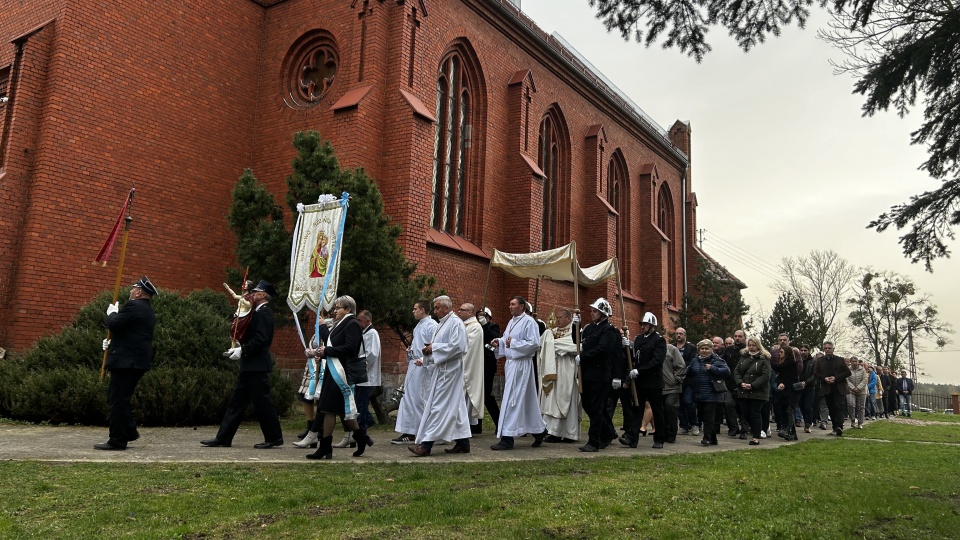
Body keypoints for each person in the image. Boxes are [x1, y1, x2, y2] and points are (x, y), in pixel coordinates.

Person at [202, 280, 283, 449]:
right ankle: (224, 437)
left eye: (255, 292)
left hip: (257, 365)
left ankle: (274, 437)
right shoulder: (256, 312)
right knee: (237, 402)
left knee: (262, 403)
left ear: (262, 295)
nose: (251, 294)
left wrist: (243, 350)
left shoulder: (264, 313)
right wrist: (238, 347)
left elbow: (262, 339)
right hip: (250, 365)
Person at [301, 295, 373, 459]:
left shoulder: (352, 324)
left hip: (342, 373)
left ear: (348, 309)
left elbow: (349, 349)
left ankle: (325, 447)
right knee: (335, 409)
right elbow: (331, 343)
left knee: (328, 409)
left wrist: (326, 351)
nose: (334, 311)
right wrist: (322, 353)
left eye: (338, 308)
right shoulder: (340, 324)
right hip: (332, 371)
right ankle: (361, 438)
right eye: (334, 308)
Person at [96, 276, 157, 451]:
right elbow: (129, 333)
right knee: (119, 399)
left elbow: (115, 324)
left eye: (133, 289)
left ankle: (117, 440)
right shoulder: (147, 310)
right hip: (134, 361)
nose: (130, 291)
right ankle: (129, 431)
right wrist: (111, 343)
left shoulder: (133, 305)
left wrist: (112, 313)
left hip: (126, 362)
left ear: (138, 293)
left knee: (117, 401)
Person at [407, 296, 473, 456]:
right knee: (455, 407)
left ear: (446, 307)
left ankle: (426, 445)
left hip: (449, 372)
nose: (435, 311)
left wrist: (434, 348)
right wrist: (428, 353)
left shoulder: (455, 323)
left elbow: (459, 347)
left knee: (438, 407)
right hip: (441, 370)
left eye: (437, 308)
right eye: (435, 308)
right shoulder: (443, 324)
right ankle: (463, 443)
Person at [489, 296, 547, 450]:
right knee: (527, 400)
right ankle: (539, 431)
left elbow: (534, 343)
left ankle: (507, 438)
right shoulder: (512, 321)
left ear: (522, 306)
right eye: (510, 304)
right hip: (512, 364)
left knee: (511, 400)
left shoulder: (529, 322)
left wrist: (512, 343)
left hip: (521, 365)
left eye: (513, 304)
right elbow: (506, 339)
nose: (510, 306)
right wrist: (499, 342)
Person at [393, 299, 438, 444]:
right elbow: (417, 345)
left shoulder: (432, 326)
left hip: (424, 368)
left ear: (423, 310)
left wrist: (425, 360)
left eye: (415, 309)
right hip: (414, 366)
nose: (413, 311)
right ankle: (409, 430)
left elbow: (435, 347)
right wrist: (410, 351)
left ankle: (419, 431)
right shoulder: (418, 326)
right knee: (409, 398)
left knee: (419, 399)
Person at [578, 300, 620, 451]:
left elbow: (603, 349)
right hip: (587, 373)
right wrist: (576, 327)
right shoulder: (589, 328)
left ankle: (593, 441)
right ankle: (608, 431)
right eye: (592, 311)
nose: (592, 313)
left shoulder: (609, 330)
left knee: (596, 408)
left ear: (603, 314)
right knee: (588, 405)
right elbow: (578, 342)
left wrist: (584, 356)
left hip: (600, 374)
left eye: (595, 311)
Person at [625, 312, 667, 449]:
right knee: (637, 409)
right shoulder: (639, 339)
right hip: (640, 381)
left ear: (652, 325)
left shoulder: (659, 340)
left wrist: (640, 370)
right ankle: (632, 438)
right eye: (642, 324)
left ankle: (659, 439)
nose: (643, 326)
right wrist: (627, 345)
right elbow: (635, 357)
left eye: (646, 324)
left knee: (657, 410)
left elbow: (657, 360)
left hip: (653, 381)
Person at [539, 307, 581, 444]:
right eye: (557, 318)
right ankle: (553, 432)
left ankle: (569, 433)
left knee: (566, 400)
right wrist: (551, 345)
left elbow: (575, 346)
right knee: (552, 402)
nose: (557, 320)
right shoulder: (552, 333)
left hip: (567, 371)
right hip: (553, 371)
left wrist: (551, 345)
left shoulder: (575, 331)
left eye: (560, 317)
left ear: (569, 318)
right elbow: (542, 344)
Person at [295, 314, 332, 443]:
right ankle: (310, 425)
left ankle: (319, 427)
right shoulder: (317, 330)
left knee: (319, 398)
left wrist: (313, 352)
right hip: (310, 368)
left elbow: (327, 346)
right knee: (305, 396)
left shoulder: (330, 328)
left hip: (321, 368)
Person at [687, 339, 730, 446]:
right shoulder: (695, 360)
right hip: (699, 393)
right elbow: (689, 371)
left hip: (712, 393)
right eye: (702, 349)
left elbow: (726, 371)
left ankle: (706, 438)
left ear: (711, 349)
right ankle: (713, 438)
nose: (704, 351)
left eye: (707, 348)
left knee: (708, 417)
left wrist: (713, 368)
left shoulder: (716, 360)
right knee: (702, 416)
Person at [733, 336, 771, 446]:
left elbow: (765, 376)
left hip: (758, 391)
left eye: (753, 345)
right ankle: (755, 429)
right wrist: (740, 383)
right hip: (744, 390)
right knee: (745, 412)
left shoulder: (764, 358)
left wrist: (752, 385)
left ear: (758, 346)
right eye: (749, 345)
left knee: (755, 413)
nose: (751, 347)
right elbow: (737, 371)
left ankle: (756, 436)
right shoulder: (744, 357)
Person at [457, 303, 486, 433]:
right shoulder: (464, 325)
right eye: (459, 309)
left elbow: (467, 348)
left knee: (465, 396)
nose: (459, 312)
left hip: (468, 367)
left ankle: (464, 426)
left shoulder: (475, 327)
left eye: (462, 310)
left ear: (470, 312)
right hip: (461, 365)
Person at [814, 341, 851, 436]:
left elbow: (847, 372)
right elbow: (816, 373)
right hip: (827, 387)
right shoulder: (820, 360)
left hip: (838, 387)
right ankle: (835, 427)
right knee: (831, 408)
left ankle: (839, 426)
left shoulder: (840, 360)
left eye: (829, 348)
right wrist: (824, 378)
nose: (827, 350)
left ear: (833, 349)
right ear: (823, 349)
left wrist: (836, 378)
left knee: (838, 407)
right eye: (825, 348)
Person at [771, 337, 802, 441]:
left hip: (792, 391)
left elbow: (778, 368)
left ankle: (786, 430)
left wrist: (768, 356)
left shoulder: (791, 362)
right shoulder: (783, 363)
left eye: (782, 352)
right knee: (785, 411)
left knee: (789, 410)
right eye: (779, 352)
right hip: (786, 391)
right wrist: (779, 383)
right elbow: (780, 377)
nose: (779, 354)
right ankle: (792, 434)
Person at [478, 307, 501, 431]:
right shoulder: (477, 328)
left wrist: (485, 325)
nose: (481, 318)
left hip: (488, 366)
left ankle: (498, 422)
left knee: (486, 395)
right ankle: (476, 425)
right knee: (477, 396)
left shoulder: (493, 327)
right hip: (476, 365)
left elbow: (491, 339)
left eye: (484, 316)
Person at [720, 329, 746, 436]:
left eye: (740, 336)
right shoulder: (728, 350)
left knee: (743, 408)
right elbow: (721, 363)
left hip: (743, 384)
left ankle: (744, 428)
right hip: (729, 384)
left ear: (744, 337)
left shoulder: (747, 351)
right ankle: (733, 428)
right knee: (729, 404)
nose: (737, 338)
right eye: (735, 336)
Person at [674, 327, 699, 436]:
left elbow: (692, 361)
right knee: (679, 404)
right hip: (675, 380)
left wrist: (682, 371)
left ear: (685, 335)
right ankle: (683, 425)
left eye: (681, 333)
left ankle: (694, 424)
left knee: (688, 402)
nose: (678, 335)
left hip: (688, 380)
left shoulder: (691, 348)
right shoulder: (672, 347)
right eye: (677, 333)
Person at [660, 343, 687, 444]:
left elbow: (681, 365)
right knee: (660, 410)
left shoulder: (671, 349)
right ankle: (662, 432)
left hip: (672, 387)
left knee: (670, 407)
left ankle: (672, 433)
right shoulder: (652, 348)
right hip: (658, 386)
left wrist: (676, 379)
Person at [796, 344, 817, 432]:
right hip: (799, 387)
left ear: (808, 351)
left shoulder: (813, 361)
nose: (803, 352)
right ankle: (805, 420)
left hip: (810, 387)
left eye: (805, 350)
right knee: (801, 406)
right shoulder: (797, 361)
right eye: (801, 350)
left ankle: (808, 424)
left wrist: (807, 382)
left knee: (808, 406)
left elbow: (815, 374)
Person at [846, 357, 868, 428]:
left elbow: (864, 380)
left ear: (858, 362)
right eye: (853, 361)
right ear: (850, 362)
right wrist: (853, 388)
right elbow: (847, 380)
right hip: (850, 390)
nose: (854, 363)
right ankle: (852, 419)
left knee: (861, 407)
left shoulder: (863, 370)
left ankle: (860, 422)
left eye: (856, 361)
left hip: (861, 391)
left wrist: (858, 387)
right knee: (850, 404)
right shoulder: (848, 370)